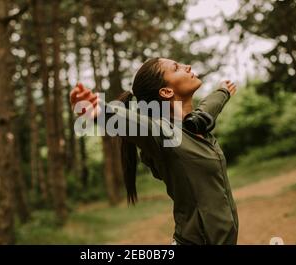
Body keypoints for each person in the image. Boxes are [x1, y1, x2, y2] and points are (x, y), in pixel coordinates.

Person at [69, 57, 238, 245]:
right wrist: (101, 113)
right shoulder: (165, 135)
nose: (187, 66)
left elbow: (208, 109)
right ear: (166, 91)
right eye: (176, 68)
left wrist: (223, 91)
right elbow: (136, 125)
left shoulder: (195, 125)